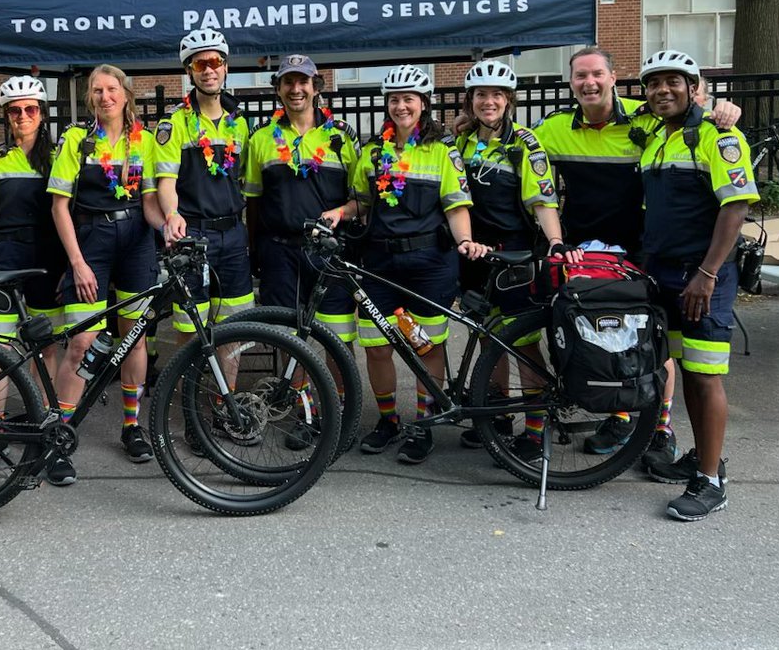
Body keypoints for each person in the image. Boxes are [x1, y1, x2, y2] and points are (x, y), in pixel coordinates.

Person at [529, 49, 740, 467]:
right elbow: (516, 146)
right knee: (603, 337)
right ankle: (623, 416)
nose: (589, 82)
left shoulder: (647, 121)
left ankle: (660, 428)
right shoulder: (550, 129)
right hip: (585, 251)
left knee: (652, 341)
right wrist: (467, 122)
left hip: (642, 248)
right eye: (580, 76)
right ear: (571, 83)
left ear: (613, 77)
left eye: (597, 74)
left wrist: (725, 108)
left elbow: (692, 116)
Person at [634, 50, 756, 521]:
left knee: (705, 376)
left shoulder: (718, 137)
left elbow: (735, 207)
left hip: (702, 276)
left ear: (694, 87)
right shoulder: (655, 136)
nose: (663, 90)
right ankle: (703, 456)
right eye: (654, 83)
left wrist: (707, 275)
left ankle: (710, 481)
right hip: (664, 272)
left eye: (674, 82)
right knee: (684, 367)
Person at [351, 64, 489, 464]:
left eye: (409, 99)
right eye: (394, 99)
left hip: (430, 261)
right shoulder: (373, 152)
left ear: (423, 104)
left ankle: (425, 425)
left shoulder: (443, 150)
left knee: (428, 347)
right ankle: (389, 420)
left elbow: (457, 204)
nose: (401, 106)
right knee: (376, 346)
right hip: (378, 261)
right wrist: (338, 213)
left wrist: (465, 241)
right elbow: (361, 201)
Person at [48, 65, 165, 480]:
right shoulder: (77, 141)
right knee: (81, 341)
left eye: (112, 89)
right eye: (97, 90)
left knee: (135, 337)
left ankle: (132, 426)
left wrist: (169, 224)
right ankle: (59, 435)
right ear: (90, 98)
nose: (104, 96)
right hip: (91, 240)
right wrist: (77, 261)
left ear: (126, 94)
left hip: (136, 239)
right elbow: (59, 205)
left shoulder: (145, 142)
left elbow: (151, 200)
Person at [452, 60, 573, 461]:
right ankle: (498, 416)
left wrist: (555, 241)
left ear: (509, 100)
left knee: (522, 342)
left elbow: (542, 199)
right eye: (481, 95)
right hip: (474, 254)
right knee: (488, 337)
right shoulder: (464, 140)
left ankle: (536, 432)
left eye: (497, 95)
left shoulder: (525, 143)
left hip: (514, 256)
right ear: (470, 101)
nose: (489, 102)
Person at [242, 53, 359, 448]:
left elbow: (363, 199)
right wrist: (255, 251)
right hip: (279, 251)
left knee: (337, 337)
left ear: (316, 87)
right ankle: (307, 415)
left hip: (328, 252)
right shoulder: (260, 138)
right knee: (291, 340)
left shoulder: (342, 136)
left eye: (303, 81)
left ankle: (338, 413)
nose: (296, 89)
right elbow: (252, 203)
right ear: (278, 89)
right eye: (288, 82)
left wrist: (341, 211)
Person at [0, 76, 70, 483]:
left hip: (46, 259)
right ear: (6, 116)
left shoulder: (58, 158)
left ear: (42, 115)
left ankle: (46, 434)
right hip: (3, 258)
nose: (23, 117)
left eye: (30, 109)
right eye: (14, 110)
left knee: (45, 350)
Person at [156, 29, 254, 335]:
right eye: (200, 65)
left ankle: (230, 387)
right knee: (190, 324)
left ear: (225, 67)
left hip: (234, 234)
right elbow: (167, 181)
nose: (209, 70)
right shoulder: (174, 123)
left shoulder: (239, 123)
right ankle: (191, 384)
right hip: (194, 234)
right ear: (189, 72)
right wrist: (172, 215)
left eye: (215, 62)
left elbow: (245, 182)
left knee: (234, 323)